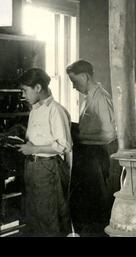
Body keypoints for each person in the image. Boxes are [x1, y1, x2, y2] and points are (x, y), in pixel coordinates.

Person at [66, 60, 120, 236]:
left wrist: (78, 136)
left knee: (96, 206)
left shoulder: (101, 98)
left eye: (74, 82)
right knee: (85, 205)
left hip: (96, 157)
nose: (74, 87)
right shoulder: (89, 96)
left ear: (84, 76)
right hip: (87, 156)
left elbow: (109, 134)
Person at [17, 68, 72, 236]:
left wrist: (33, 149)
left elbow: (64, 146)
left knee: (50, 217)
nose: (23, 95)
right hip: (32, 168)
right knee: (34, 216)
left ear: (38, 88)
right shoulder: (35, 110)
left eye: (25, 90)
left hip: (47, 169)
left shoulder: (56, 110)